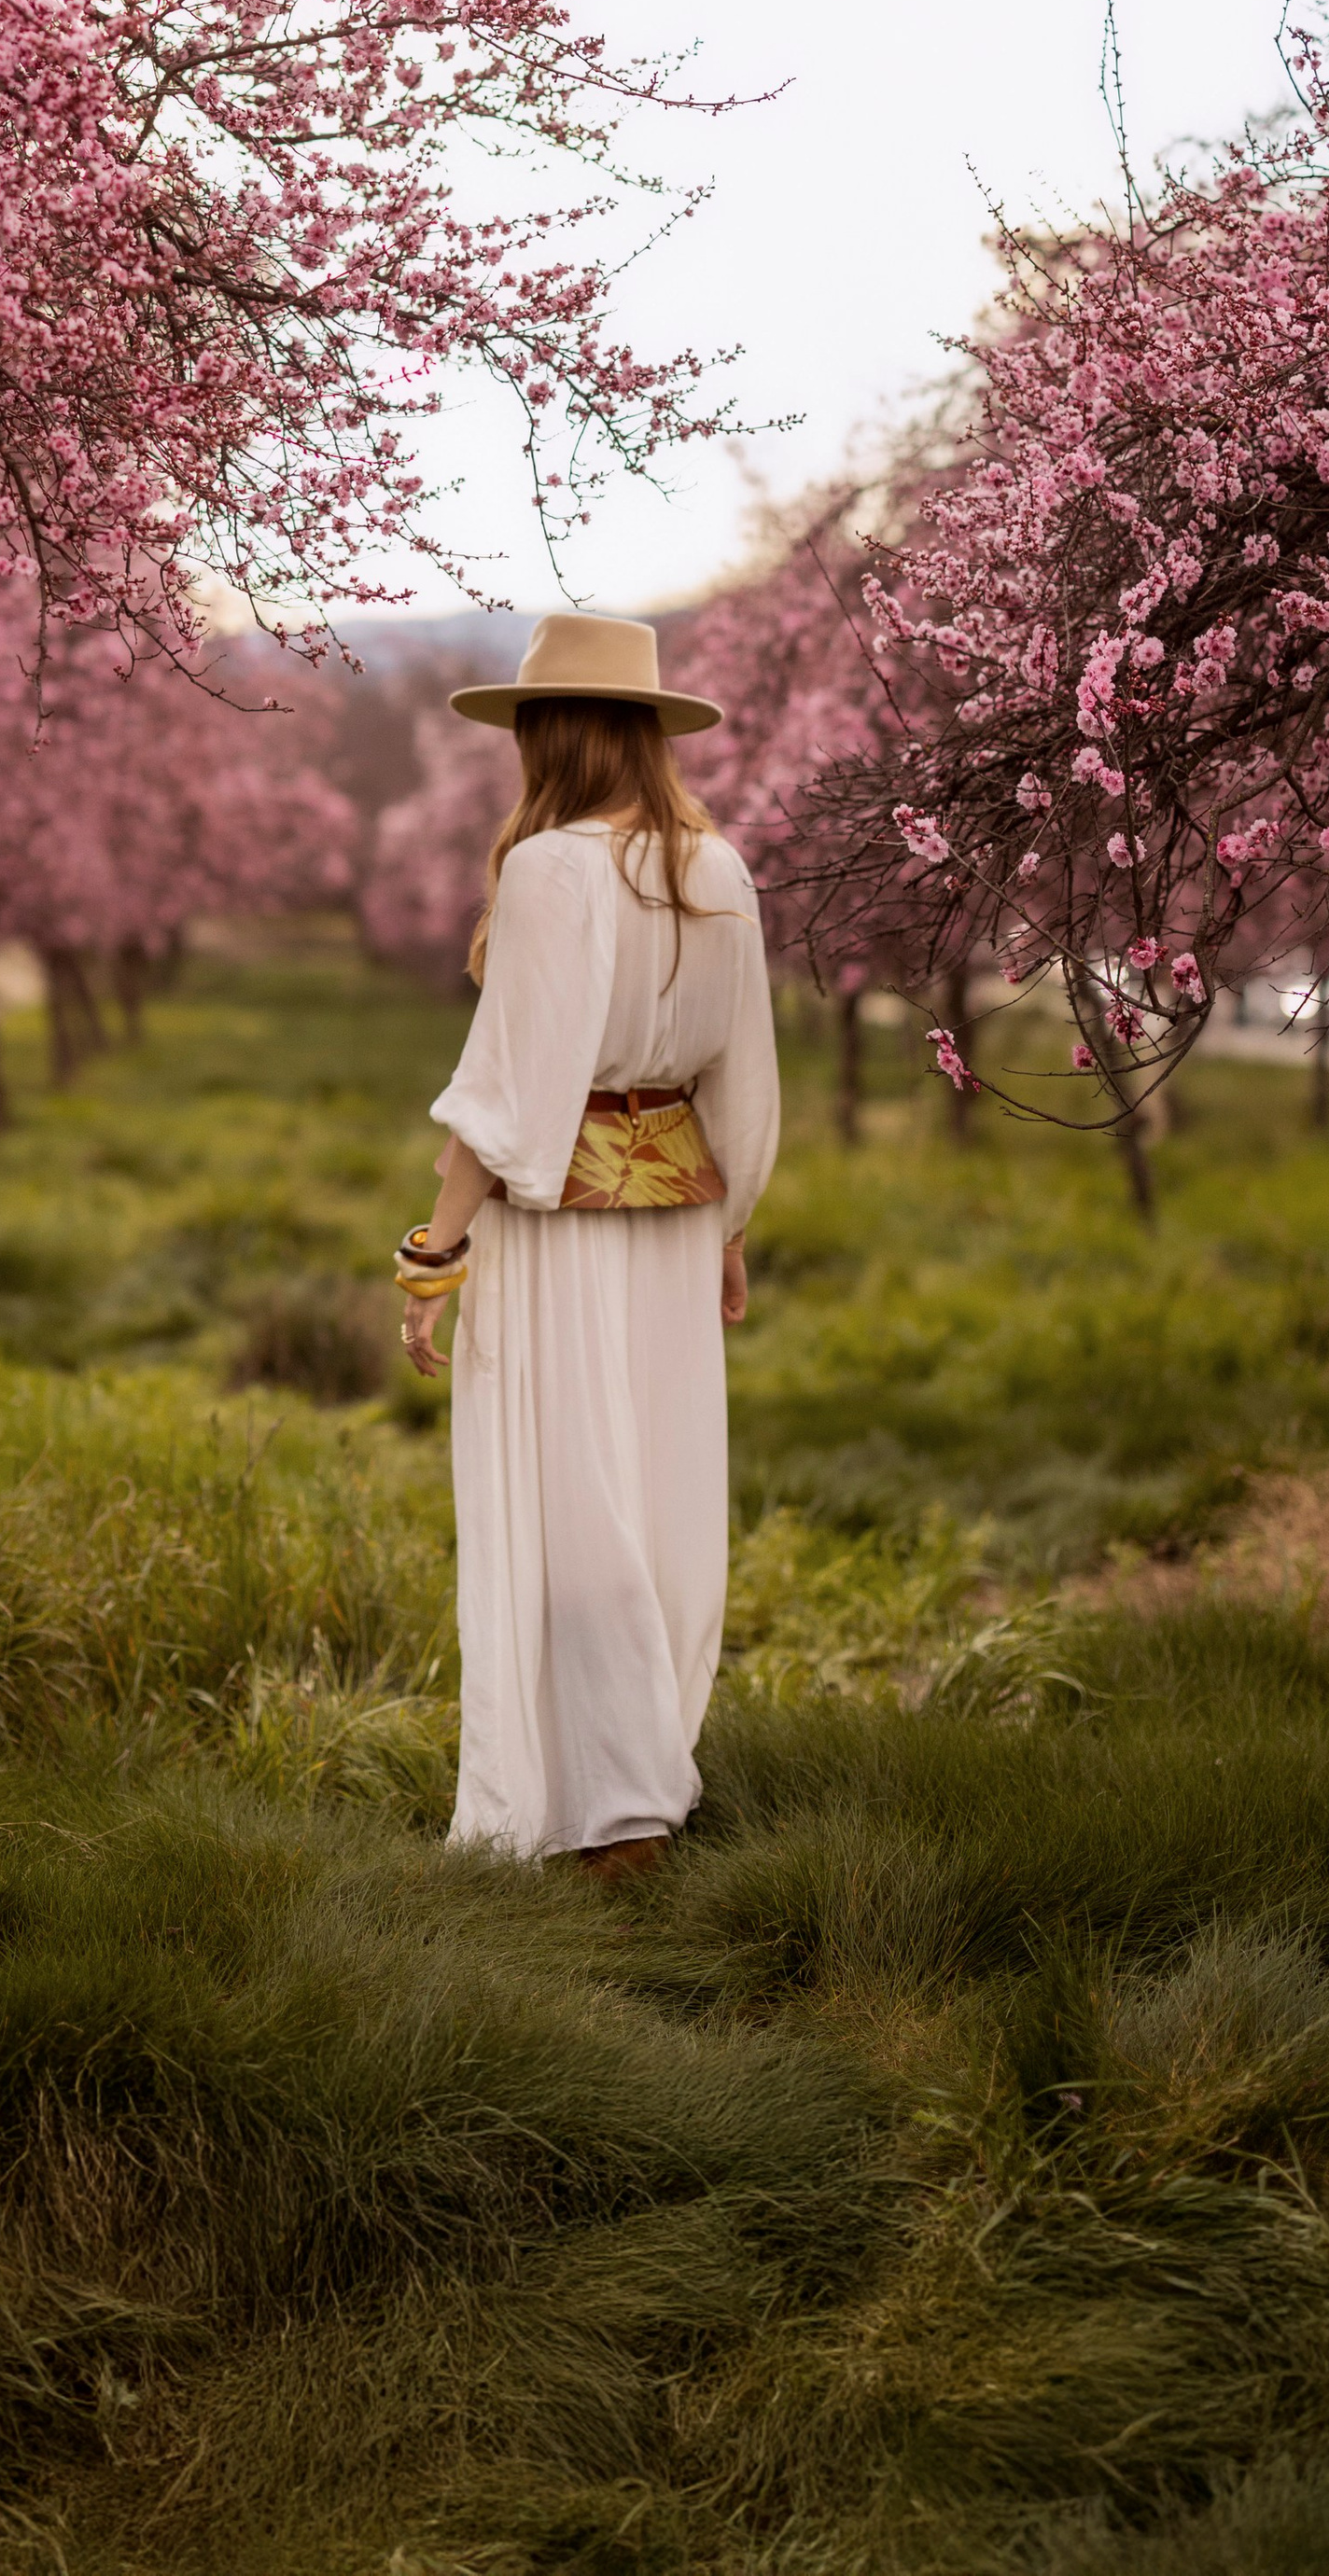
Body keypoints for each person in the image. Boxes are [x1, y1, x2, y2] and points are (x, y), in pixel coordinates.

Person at [394, 613, 779, 1876]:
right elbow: (744, 1071)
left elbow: (510, 1087)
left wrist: (433, 1254)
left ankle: (612, 1810)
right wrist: (730, 1224)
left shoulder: (553, 869)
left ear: (551, 734)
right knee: (657, 1490)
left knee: (571, 1503)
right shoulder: (718, 868)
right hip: (677, 1213)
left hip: (558, 1226)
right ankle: (634, 1777)